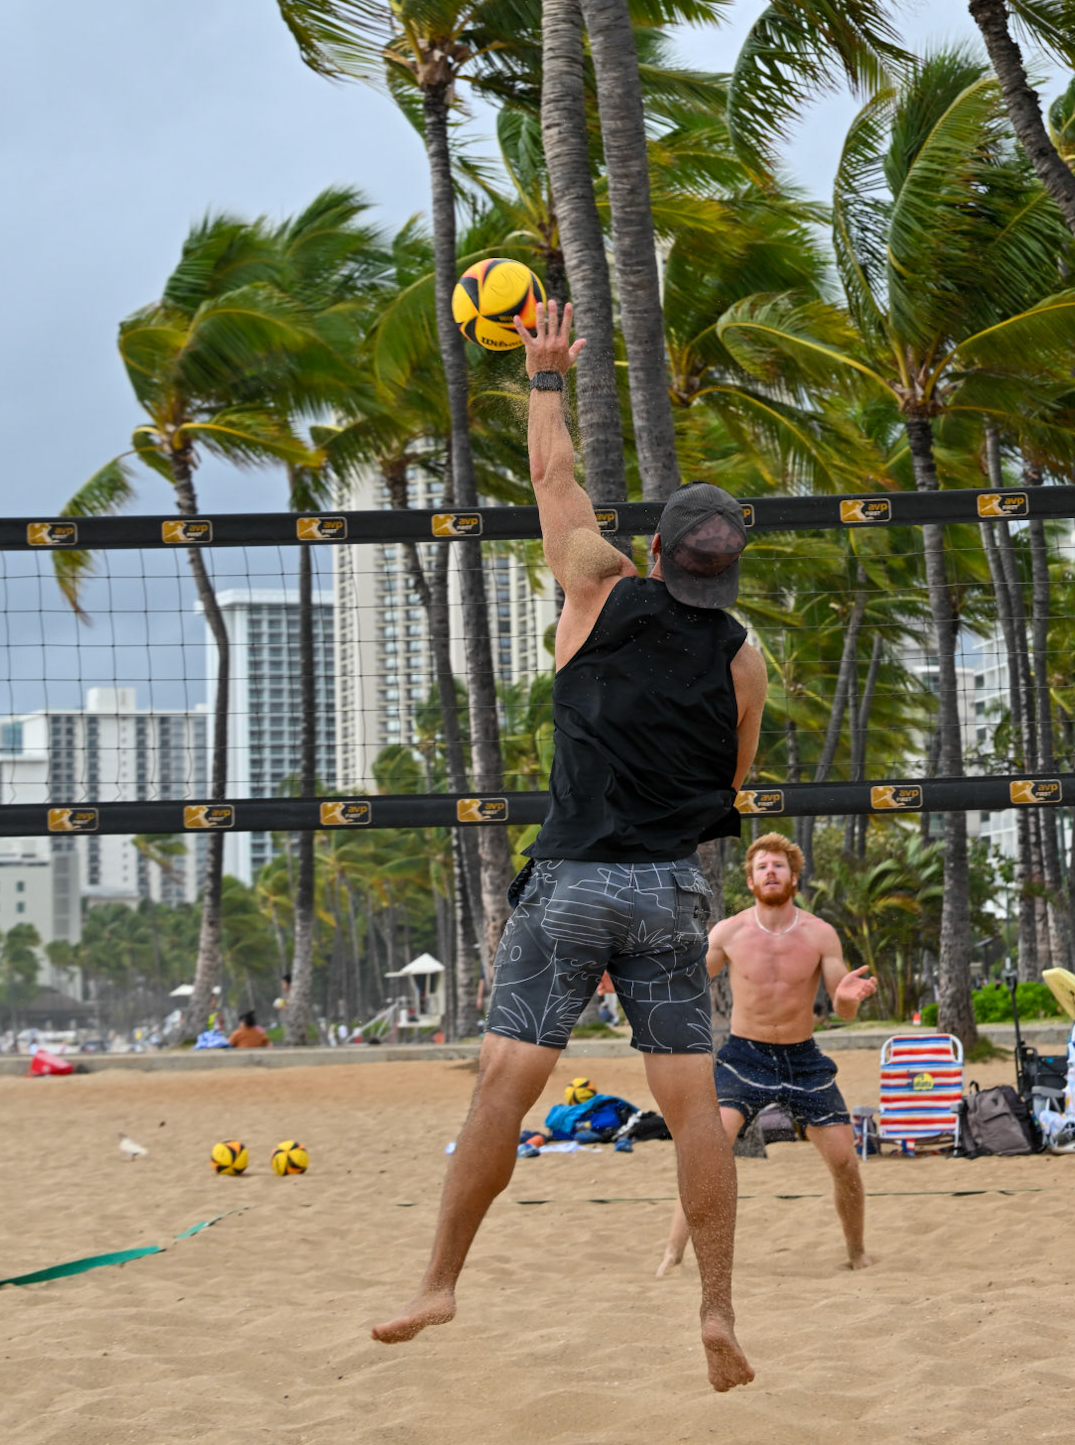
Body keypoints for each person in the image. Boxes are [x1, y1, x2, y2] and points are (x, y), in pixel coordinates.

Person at [373, 301, 767, 1392]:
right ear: (723, 571)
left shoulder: (595, 590)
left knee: (502, 1088)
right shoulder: (743, 657)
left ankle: (439, 1281)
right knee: (695, 1105)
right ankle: (718, 1304)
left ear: (653, 552)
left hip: (572, 884)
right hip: (668, 890)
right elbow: (729, 785)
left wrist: (544, 373)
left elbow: (554, 484)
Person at [656, 833, 879, 1280]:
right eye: (762, 867)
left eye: (778, 866)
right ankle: (671, 1254)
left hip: (804, 1058)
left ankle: (856, 1252)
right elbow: (688, 984)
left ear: (794, 877)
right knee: (708, 1151)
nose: (770, 872)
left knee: (843, 1161)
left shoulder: (820, 934)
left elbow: (841, 1001)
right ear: (751, 879)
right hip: (744, 1056)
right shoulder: (729, 932)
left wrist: (851, 998)